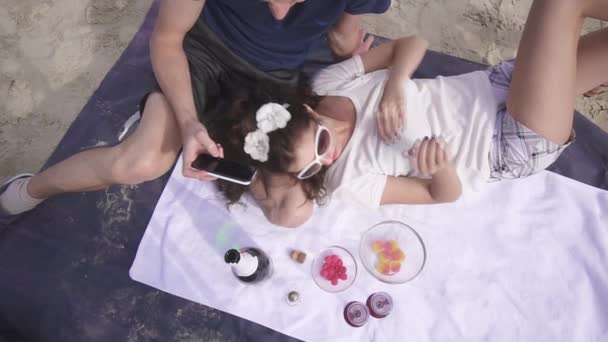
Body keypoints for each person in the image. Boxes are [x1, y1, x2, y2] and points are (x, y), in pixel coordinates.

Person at [207, 0, 608, 227]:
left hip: (497, 85)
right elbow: (441, 195)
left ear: (307, 108)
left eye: (321, 140)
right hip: (508, 142)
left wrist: (396, 81)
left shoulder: (329, 84)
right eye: (313, 168)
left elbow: (413, 42)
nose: (326, 158)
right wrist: (441, 170)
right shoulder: (350, 180)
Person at [0, 0, 390, 223]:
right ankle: (29, 188)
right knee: (138, 162)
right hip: (200, 54)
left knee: (293, 213)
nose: (278, 7)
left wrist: (351, 55)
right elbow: (168, 38)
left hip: (274, 81)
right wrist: (187, 121)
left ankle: (187, 123)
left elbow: (343, 31)